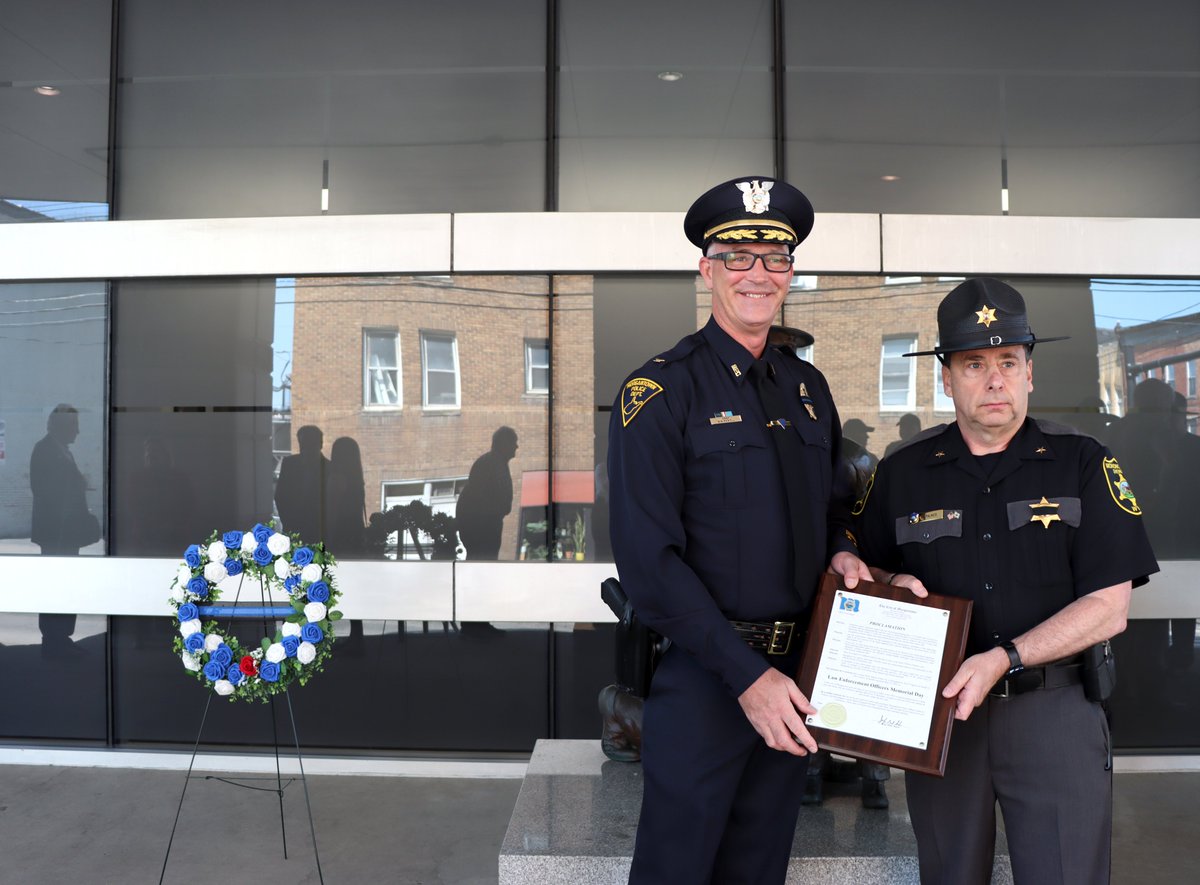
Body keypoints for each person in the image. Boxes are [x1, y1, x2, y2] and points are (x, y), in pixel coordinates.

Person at [607, 175, 871, 884]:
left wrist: (845, 553)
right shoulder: (660, 391)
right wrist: (746, 675)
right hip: (707, 677)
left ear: (791, 271)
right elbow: (648, 562)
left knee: (759, 869)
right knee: (676, 871)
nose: (757, 273)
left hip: (794, 681)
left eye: (774, 258)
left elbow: (834, 507)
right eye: (737, 255)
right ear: (707, 268)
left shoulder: (807, 390)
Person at [853, 277, 1158, 884]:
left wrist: (1005, 657)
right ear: (945, 378)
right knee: (948, 874)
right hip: (943, 722)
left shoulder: (1084, 462)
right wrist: (888, 582)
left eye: (1007, 361)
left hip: (1056, 713)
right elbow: (860, 568)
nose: (994, 379)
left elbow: (1109, 608)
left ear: (1029, 373)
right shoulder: (903, 472)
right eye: (973, 364)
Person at [30, 404, 99, 653]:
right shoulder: (46, 450)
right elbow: (47, 492)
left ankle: (60, 637)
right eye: (74, 425)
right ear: (61, 426)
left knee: (66, 583)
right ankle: (54, 638)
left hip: (65, 533)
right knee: (56, 584)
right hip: (56, 533)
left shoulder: (61, 451)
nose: (78, 431)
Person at [456, 426, 518, 561]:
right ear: (504, 444)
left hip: (487, 527)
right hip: (483, 530)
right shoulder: (491, 464)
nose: (516, 446)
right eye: (513, 442)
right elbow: (479, 499)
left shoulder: (496, 463)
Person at [275, 425, 329, 542]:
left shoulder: (330, 468)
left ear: (320, 444)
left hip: (320, 533)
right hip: (294, 529)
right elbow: (280, 496)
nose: (305, 448)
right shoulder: (289, 464)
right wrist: (289, 523)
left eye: (310, 444)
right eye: (303, 444)